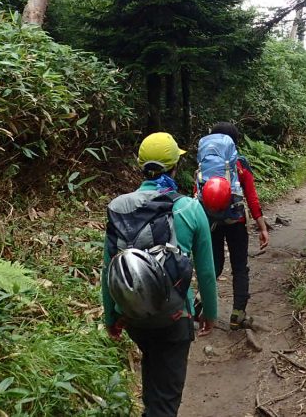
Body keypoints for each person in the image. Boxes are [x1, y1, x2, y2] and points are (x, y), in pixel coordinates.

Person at [101, 132, 218, 417]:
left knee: (154, 371)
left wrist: (111, 317)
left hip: (132, 315)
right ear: (174, 166)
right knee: (166, 400)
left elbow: (109, 268)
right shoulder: (190, 208)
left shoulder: (118, 207)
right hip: (175, 316)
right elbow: (205, 270)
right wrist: (210, 313)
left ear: (140, 165)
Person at [203, 121, 270, 331]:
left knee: (214, 265)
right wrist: (262, 227)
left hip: (211, 220)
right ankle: (237, 315)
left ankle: (198, 304)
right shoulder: (240, 164)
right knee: (240, 267)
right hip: (237, 221)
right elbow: (251, 197)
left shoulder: (206, 165)